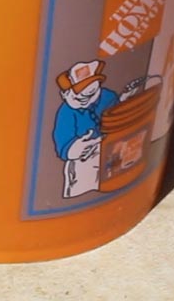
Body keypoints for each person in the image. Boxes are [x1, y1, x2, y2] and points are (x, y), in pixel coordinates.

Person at [51, 60, 140, 198]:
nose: (86, 98)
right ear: (65, 94)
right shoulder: (67, 113)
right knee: (83, 189)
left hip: (110, 152)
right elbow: (62, 143)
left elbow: (115, 114)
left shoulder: (106, 96)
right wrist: (76, 148)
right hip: (83, 160)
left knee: (112, 184)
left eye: (91, 93)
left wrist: (123, 101)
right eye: (80, 96)